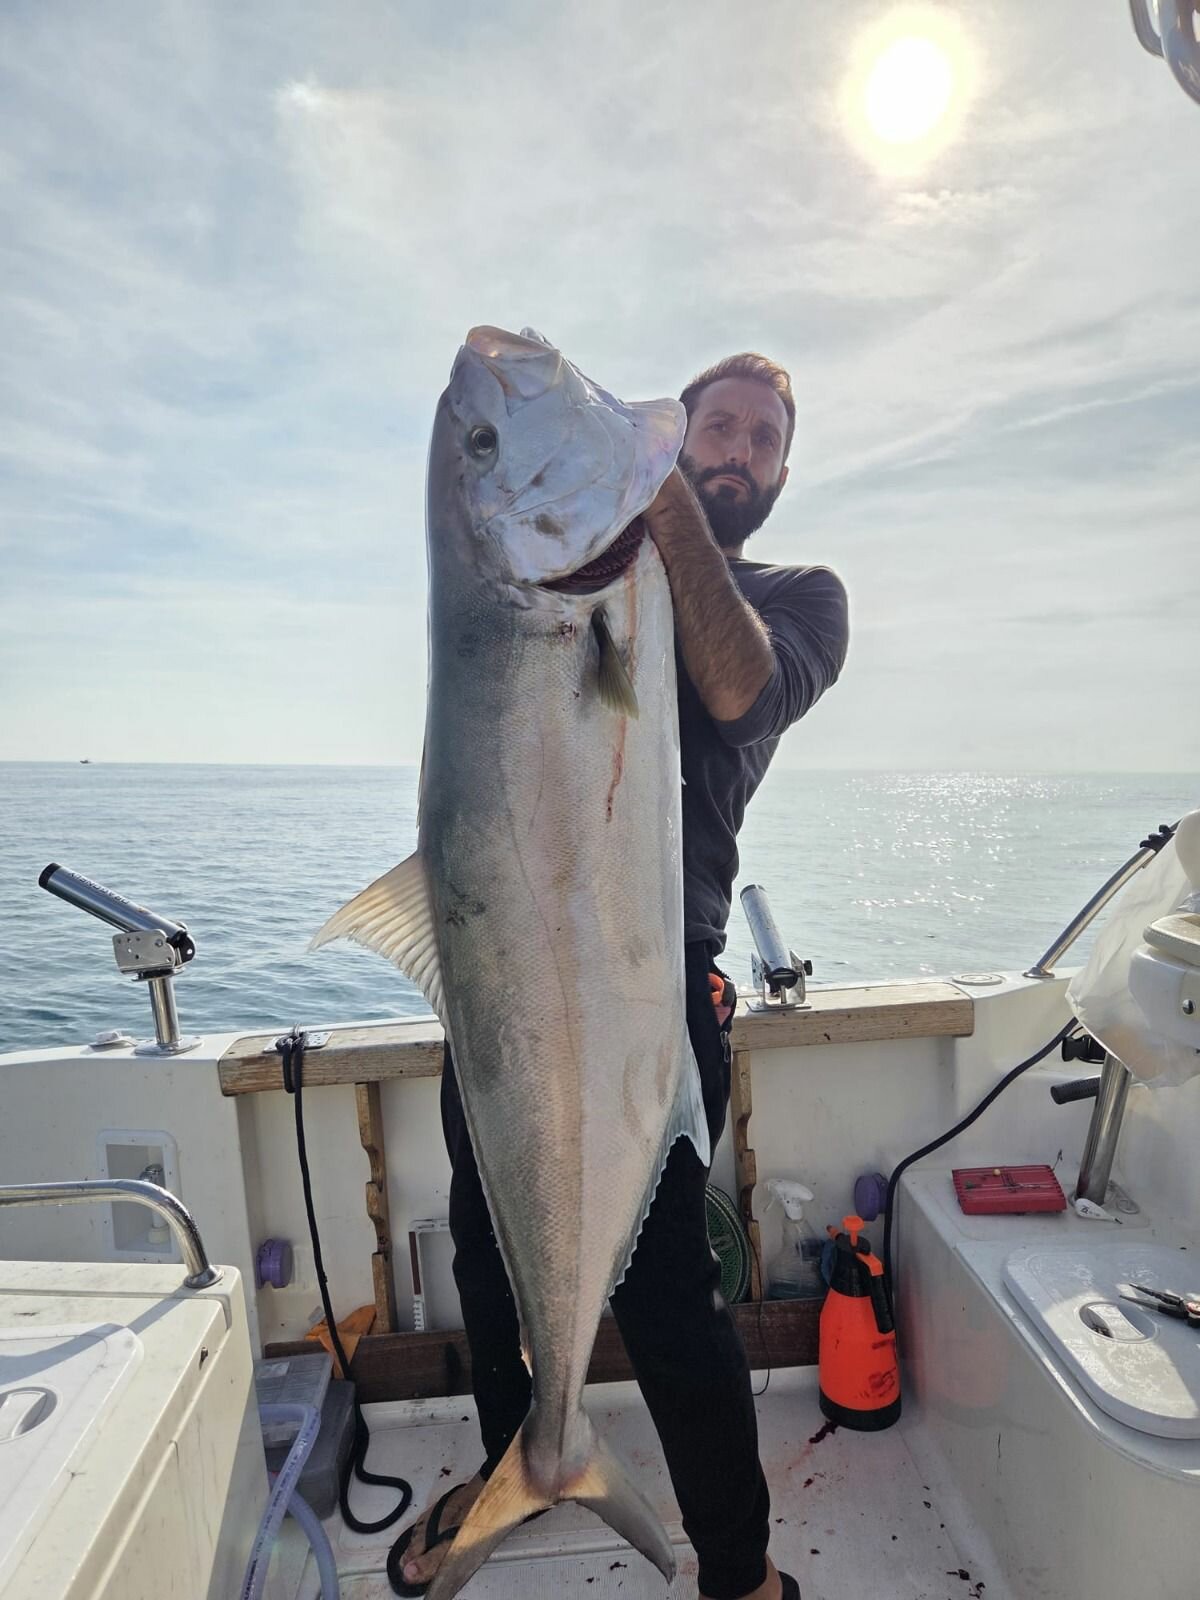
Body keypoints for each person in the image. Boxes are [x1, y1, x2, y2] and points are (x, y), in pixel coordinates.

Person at [389, 353, 850, 1600]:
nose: (737, 449)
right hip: (509, 975)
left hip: (651, 990)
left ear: (783, 472)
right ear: (676, 430)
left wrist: (654, 507)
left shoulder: (796, 599)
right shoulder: (598, 557)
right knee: (490, 1259)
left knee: (670, 1304)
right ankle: (518, 1461)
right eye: (716, 425)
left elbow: (740, 691)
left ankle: (740, 1568)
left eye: (762, 439)